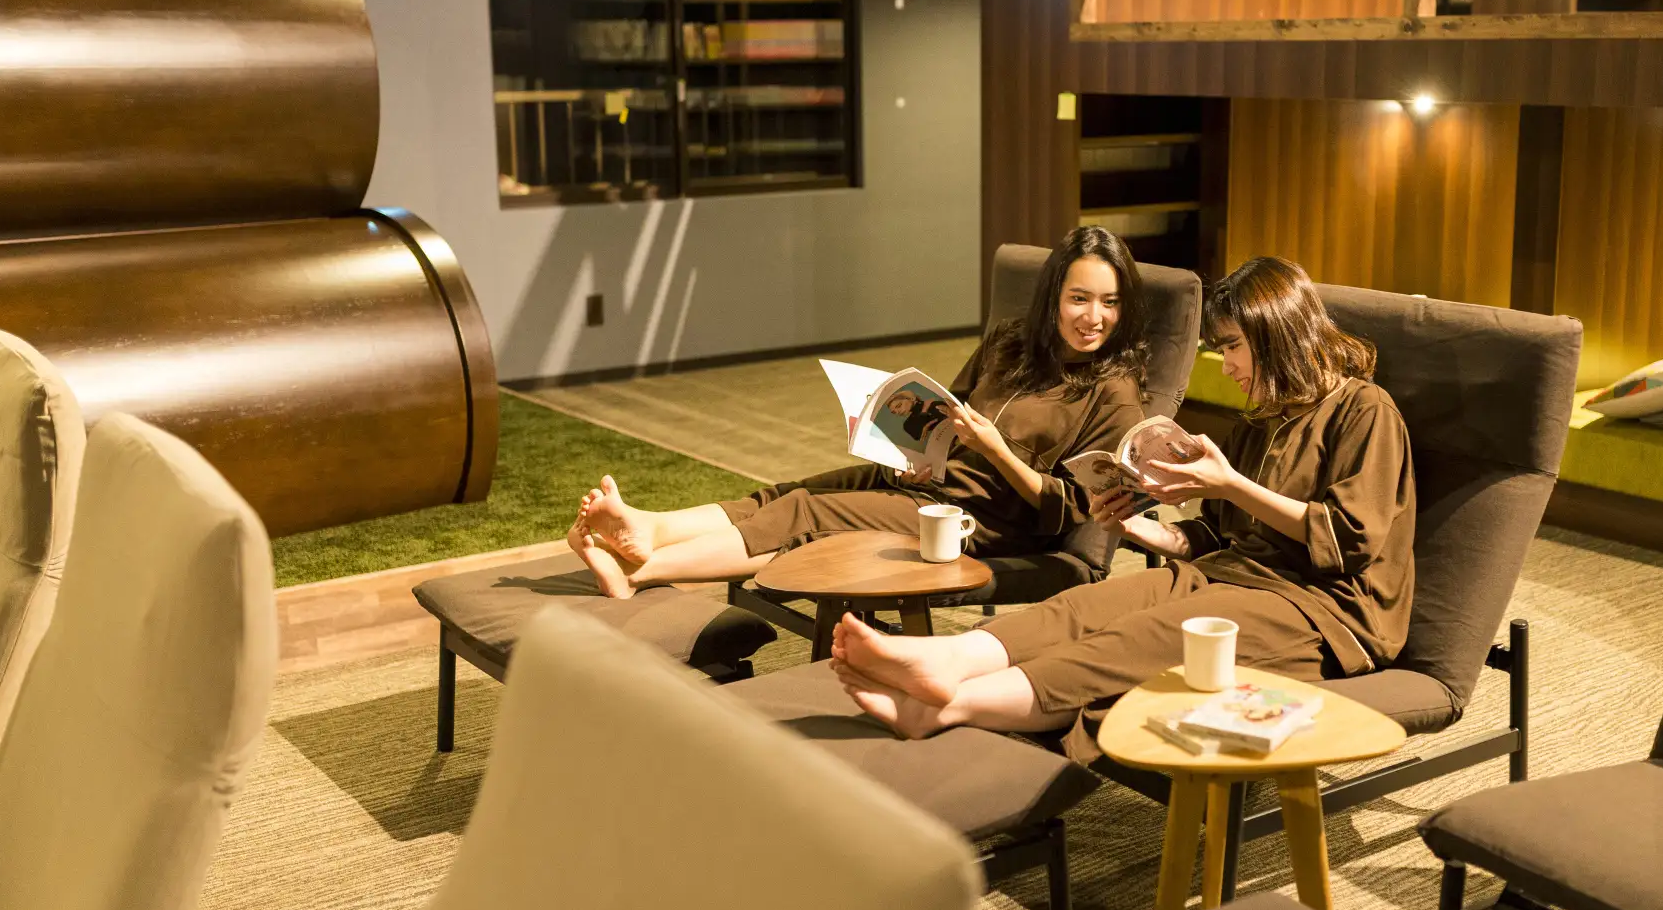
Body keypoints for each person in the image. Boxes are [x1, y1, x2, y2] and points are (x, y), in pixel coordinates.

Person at [829, 256, 1415, 762]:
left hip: (1326, 608)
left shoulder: (1365, 410)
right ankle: (945, 657)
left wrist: (1231, 484)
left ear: (1275, 333)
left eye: (1234, 347)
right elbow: (1220, 537)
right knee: (1084, 606)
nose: (1229, 366)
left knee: (1140, 636)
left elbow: (1350, 539)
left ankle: (946, 706)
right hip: (1234, 574)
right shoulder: (1262, 419)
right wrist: (1142, 529)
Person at [568, 226, 1152, 597]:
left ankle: (640, 570)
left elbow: (1071, 511)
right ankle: (653, 528)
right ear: (1053, 298)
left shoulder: (1115, 392)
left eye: (1109, 302)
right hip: (933, 482)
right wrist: (914, 452)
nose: (1093, 318)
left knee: (805, 513)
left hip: (981, 520)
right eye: (1079, 299)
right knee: (789, 492)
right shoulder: (1011, 343)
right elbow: (947, 411)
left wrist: (995, 451)